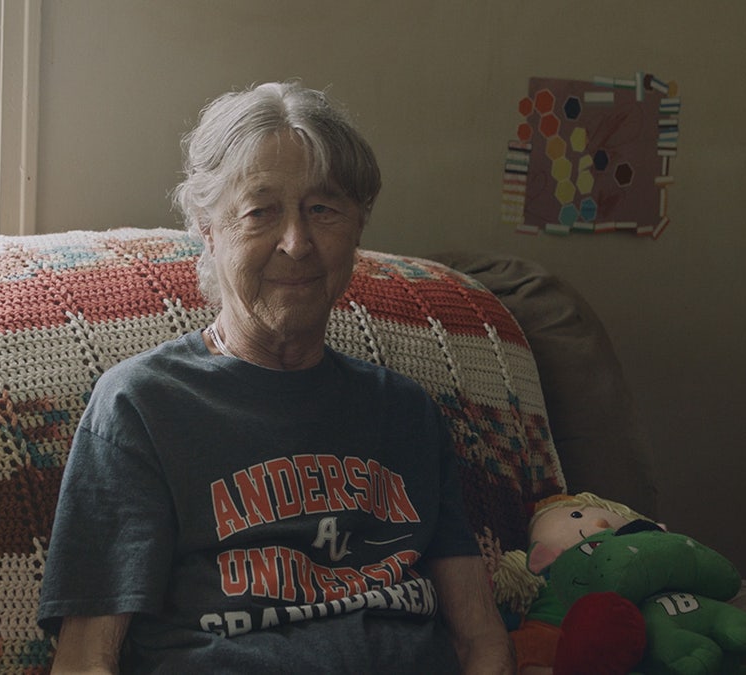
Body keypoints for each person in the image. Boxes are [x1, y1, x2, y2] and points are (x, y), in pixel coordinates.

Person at [38, 81, 514, 674]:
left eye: (323, 210)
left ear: (358, 228)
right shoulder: (142, 407)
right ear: (210, 233)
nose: (296, 242)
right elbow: (86, 660)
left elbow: (480, 640)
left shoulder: (405, 412)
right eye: (260, 212)